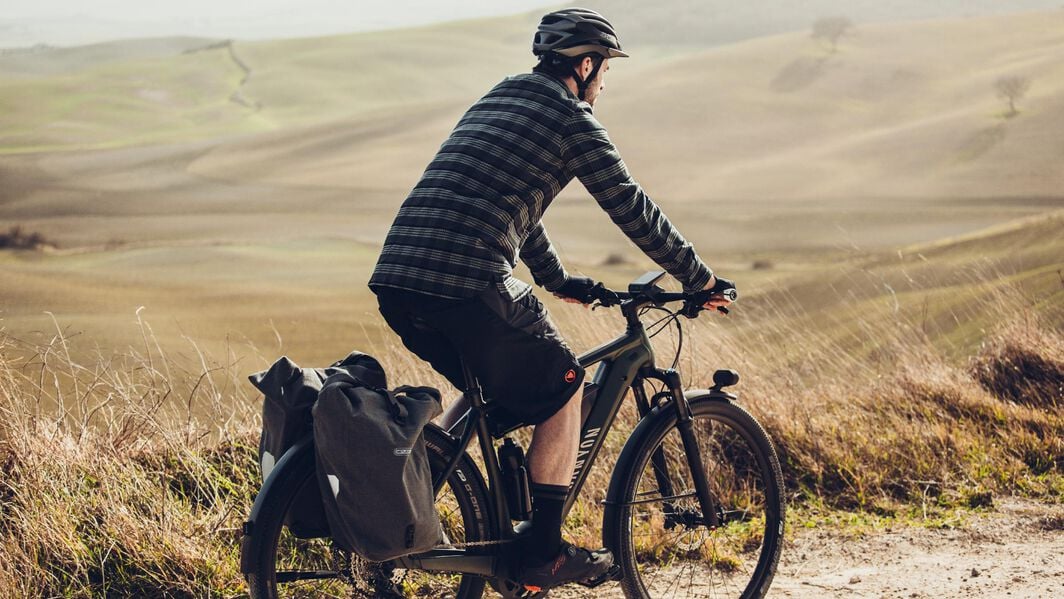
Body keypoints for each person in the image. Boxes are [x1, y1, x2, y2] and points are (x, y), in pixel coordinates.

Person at [369, 7, 733, 591]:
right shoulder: (573, 121)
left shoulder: (504, 95)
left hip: (399, 278)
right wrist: (700, 279)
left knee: (491, 394)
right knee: (564, 388)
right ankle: (543, 552)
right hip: (465, 280)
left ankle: (435, 497)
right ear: (585, 66)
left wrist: (557, 278)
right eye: (604, 71)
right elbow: (631, 207)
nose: (605, 84)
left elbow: (510, 198)